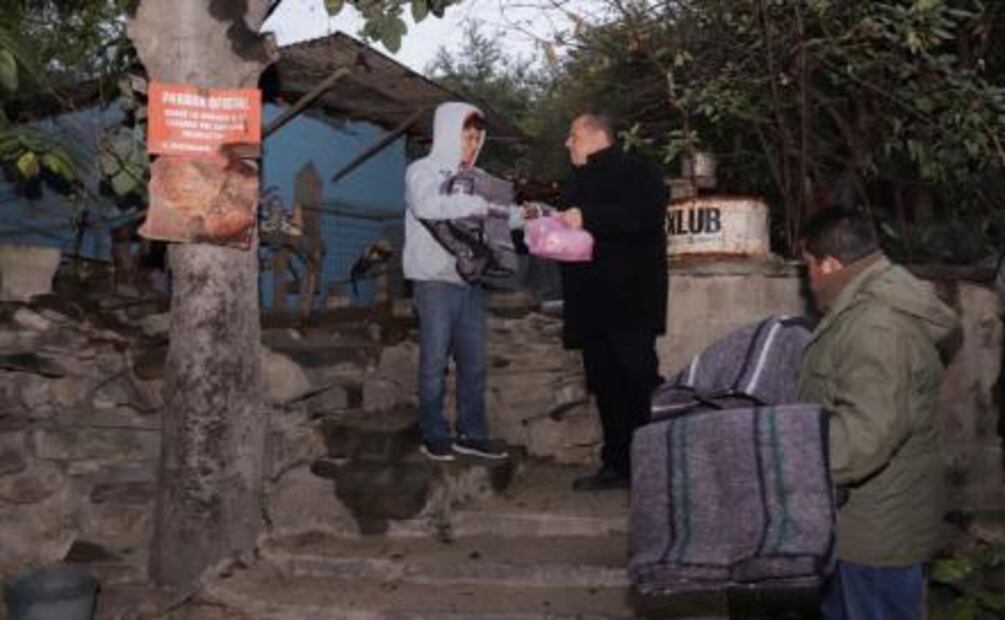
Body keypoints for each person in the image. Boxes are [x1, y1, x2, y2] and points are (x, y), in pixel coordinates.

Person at [797, 208, 959, 619]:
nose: (808, 277)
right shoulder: (864, 308)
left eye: (808, 266)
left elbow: (866, 436)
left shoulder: (876, 327)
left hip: (874, 536)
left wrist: (787, 456)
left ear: (830, 264)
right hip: (862, 522)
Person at [403, 101, 520, 462]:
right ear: (448, 134)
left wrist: (531, 218)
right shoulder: (421, 172)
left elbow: (498, 217)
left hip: (470, 283)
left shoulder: (478, 180)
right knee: (434, 364)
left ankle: (471, 433)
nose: (471, 145)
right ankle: (433, 433)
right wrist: (474, 205)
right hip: (433, 284)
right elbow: (426, 206)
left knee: (474, 365)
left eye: (476, 138)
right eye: (466, 136)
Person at [557, 112, 669, 491]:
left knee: (637, 384)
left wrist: (587, 217)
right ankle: (617, 465)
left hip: (630, 302)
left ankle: (653, 466)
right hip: (590, 305)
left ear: (595, 135)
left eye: (573, 135)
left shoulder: (639, 172)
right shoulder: (574, 182)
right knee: (605, 386)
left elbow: (641, 217)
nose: (567, 143)